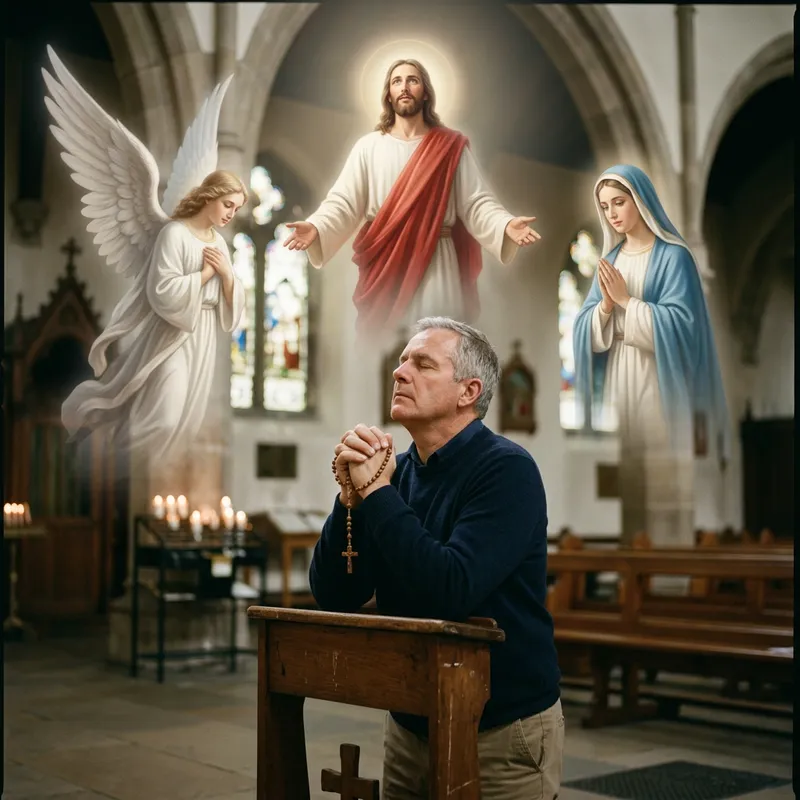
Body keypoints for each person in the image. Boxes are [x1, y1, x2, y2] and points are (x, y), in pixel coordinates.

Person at [310, 317, 564, 800]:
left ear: (469, 390)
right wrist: (349, 504)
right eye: (403, 360)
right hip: (411, 719)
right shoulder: (397, 472)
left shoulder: (507, 470)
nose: (400, 372)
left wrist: (376, 492)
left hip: (500, 729)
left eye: (422, 363)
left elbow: (449, 589)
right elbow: (336, 592)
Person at [42, 46, 246, 468]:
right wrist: (207, 275)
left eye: (236, 210)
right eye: (229, 205)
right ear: (210, 197)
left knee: (182, 426)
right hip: (170, 339)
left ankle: (118, 465)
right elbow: (163, 293)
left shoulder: (220, 242)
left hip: (202, 337)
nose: (231, 215)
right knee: (163, 419)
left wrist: (227, 278)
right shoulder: (172, 233)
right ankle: (113, 467)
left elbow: (232, 303)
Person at [283, 59, 541, 336]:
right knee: (387, 347)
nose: (404, 87)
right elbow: (344, 202)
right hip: (386, 263)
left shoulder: (449, 147)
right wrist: (317, 226)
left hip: (437, 259)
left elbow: (476, 202)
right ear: (388, 94)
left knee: (438, 342)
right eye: (397, 81)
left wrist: (504, 225)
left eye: (412, 80)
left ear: (425, 92)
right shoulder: (368, 147)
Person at [572, 164, 729, 546]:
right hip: (624, 371)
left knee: (663, 467)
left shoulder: (674, 257)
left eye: (619, 202)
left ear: (640, 201)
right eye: (605, 206)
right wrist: (607, 310)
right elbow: (586, 328)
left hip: (663, 375)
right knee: (633, 471)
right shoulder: (610, 260)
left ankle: (668, 575)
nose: (612, 214)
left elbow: (685, 324)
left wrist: (628, 302)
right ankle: (638, 573)